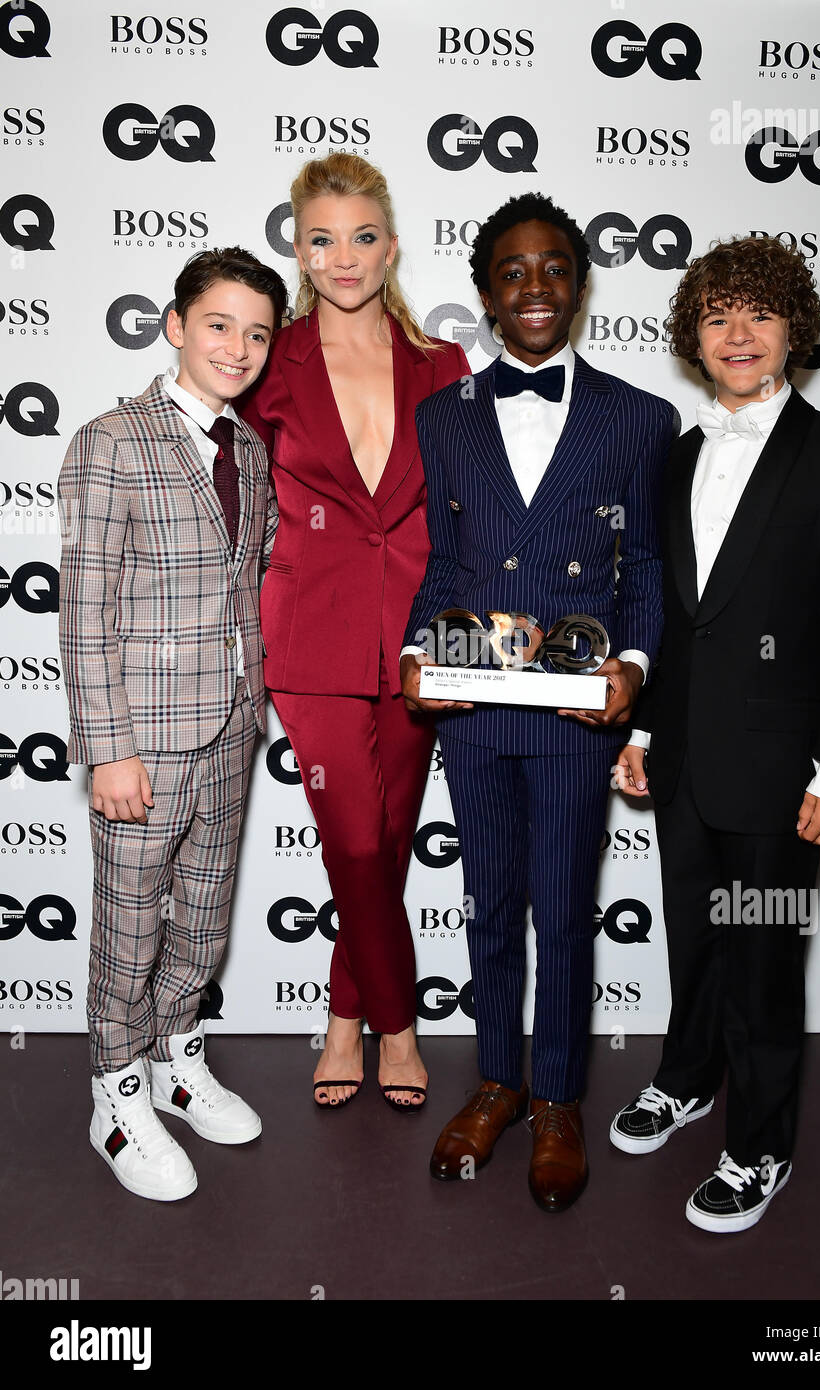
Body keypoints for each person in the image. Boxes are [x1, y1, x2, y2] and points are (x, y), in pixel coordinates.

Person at [613, 235, 820, 1232]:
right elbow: (669, 615)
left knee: (764, 961)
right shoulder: (679, 454)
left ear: (793, 330)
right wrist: (647, 730)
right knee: (691, 938)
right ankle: (686, 1076)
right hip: (686, 755)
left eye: (759, 313)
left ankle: (761, 1143)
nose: (738, 333)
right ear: (692, 335)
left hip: (786, 772)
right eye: (717, 315)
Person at [401, 192, 672, 1211]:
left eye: (553, 267)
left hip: (572, 714)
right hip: (471, 713)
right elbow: (440, 566)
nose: (534, 287)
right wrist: (413, 653)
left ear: (580, 283)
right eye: (512, 271)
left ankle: (557, 1099)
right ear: (484, 292)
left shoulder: (639, 418)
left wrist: (633, 668)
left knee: (561, 913)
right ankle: (498, 1083)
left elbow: (643, 566)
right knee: (490, 911)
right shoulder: (445, 418)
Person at [239, 153, 469, 1110]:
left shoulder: (444, 365)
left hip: (418, 636)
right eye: (323, 239)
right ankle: (397, 1026)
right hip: (311, 635)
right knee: (357, 844)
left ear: (393, 245)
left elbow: (465, 509)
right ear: (298, 249)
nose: (344, 257)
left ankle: (341, 1020)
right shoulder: (268, 361)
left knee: (387, 835)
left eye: (363, 236)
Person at [58, 247, 288, 1201]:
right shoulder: (112, 439)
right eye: (221, 325)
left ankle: (175, 1057)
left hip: (232, 726)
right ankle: (114, 1092)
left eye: (258, 332)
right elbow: (84, 608)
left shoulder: (251, 447)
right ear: (177, 326)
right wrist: (108, 748)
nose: (239, 347)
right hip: (142, 743)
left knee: (201, 916)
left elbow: (254, 581)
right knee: (128, 925)